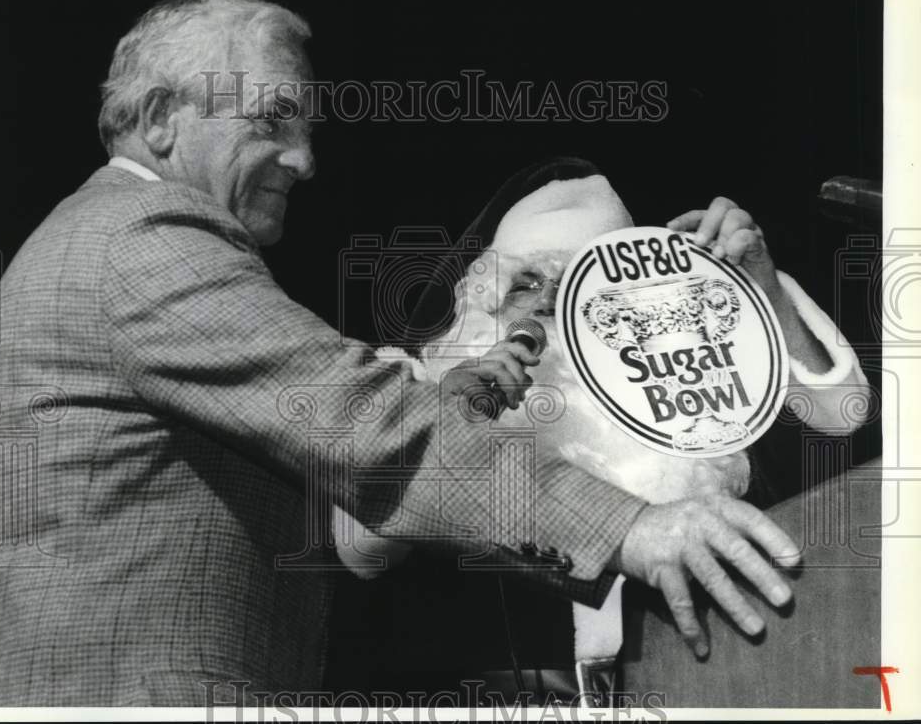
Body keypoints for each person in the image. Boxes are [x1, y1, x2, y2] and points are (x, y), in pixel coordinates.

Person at [0, 0, 802, 707]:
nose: (306, 159)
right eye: (276, 119)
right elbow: (374, 430)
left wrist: (456, 397)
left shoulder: (105, 240)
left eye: (309, 127)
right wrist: (634, 527)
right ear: (167, 120)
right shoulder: (146, 236)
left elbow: (350, 515)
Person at [331, 163, 869, 700]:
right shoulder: (421, 387)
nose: (545, 303)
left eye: (569, 287)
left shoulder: (682, 397)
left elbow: (840, 414)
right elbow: (360, 552)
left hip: (695, 684)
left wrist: (762, 293)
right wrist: (444, 414)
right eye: (525, 283)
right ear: (485, 300)